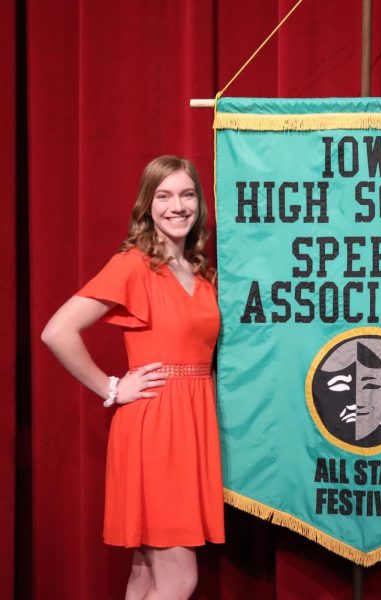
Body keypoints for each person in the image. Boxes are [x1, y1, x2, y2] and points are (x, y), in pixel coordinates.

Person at [41, 155, 224, 599]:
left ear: (199, 203)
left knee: (146, 575)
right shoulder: (135, 264)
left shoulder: (200, 272)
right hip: (156, 426)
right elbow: (56, 331)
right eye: (163, 196)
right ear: (147, 205)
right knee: (179, 578)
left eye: (186, 194)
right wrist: (112, 387)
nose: (176, 206)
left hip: (192, 427)